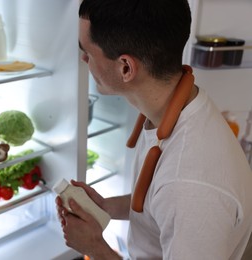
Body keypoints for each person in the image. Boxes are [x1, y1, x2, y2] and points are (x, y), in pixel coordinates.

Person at [55, 0, 252, 259]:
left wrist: (95, 248)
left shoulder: (191, 188)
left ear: (126, 67)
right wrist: (104, 207)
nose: (83, 59)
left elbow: (176, 194)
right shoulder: (183, 105)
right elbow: (157, 205)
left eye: (88, 53)